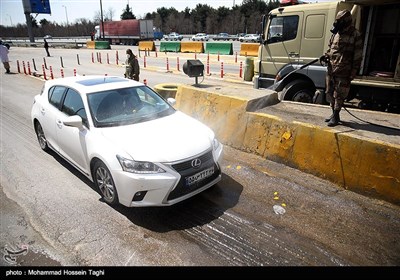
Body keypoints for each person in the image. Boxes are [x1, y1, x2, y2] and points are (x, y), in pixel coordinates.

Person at [320, 9, 363, 127]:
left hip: (344, 71)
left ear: (346, 20)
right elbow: (330, 49)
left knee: (339, 94)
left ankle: (336, 115)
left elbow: (358, 55)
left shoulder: (355, 35)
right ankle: (333, 113)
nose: (337, 23)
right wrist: (325, 56)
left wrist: (353, 72)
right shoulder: (336, 33)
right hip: (331, 69)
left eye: (339, 20)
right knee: (329, 92)